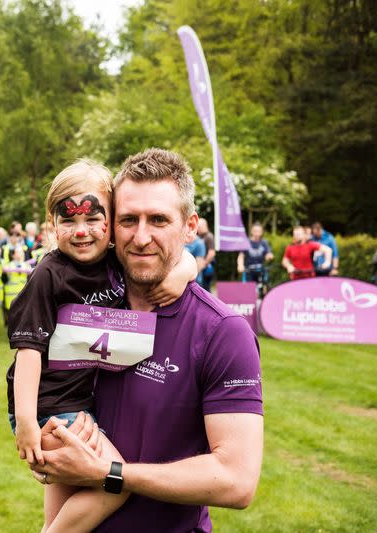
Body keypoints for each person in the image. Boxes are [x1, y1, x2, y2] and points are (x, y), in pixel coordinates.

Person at [31, 148, 264, 533]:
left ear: (190, 227)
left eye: (158, 219)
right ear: (109, 226)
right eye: (127, 220)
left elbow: (236, 480)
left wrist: (112, 474)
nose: (141, 237)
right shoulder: (80, 299)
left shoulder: (222, 332)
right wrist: (50, 452)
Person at [7, 158, 199, 532]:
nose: (82, 232)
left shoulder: (115, 262)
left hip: (83, 401)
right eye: (68, 220)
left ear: (110, 221)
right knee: (114, 483)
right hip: (53, 405)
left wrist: (180, 277)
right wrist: (27, 423)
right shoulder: (49, 275)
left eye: (93, 219)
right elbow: (28, 353)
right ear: (52, 224)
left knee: (62, 506)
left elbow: (185, 257)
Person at [237, 222, 274, 293]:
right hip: (249, 271)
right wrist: (240, 265)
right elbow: (241, 256)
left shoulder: (264, 243)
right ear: (252, 232)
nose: (257, 233)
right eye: (255, 231)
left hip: (261, 271)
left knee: (264, 288)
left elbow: (268, 254)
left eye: (259, 231)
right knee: (247, 291)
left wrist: (269, 256)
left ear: (261, 232)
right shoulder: (246, 242)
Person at [1, 246, 31, 323]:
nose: (20, 254)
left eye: (21, 252)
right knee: (12, 318)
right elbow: (4, 278)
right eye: (18, 252)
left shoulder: (26, 266)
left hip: (23, 295)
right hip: (11, 296)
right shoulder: (8, 266)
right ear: (13, 255)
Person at [196, 218, 216, 291]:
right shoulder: (199, 237)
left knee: (205, 289)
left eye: (199, 227)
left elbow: (212, 253)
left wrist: (203, 264)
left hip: (207, 267)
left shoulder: (209, 236)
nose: (198, 229)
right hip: (201, 266)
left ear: (205, 226)